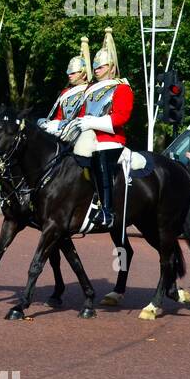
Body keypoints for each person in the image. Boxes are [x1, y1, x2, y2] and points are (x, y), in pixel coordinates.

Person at [65, 27, 133, 230]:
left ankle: (108, 211)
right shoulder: (90, 90)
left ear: (111, 67)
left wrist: (91, 123)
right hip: (89, 139)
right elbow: (82, 114)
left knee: (101, 163)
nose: (96, 70)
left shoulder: (121, 87)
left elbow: (121, 118)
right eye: (95, 67)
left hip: (110, 141)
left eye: (100, 67)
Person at [40, 37, 93, 136]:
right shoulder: (66, 92)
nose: (69, 75)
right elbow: (59, 116)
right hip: (62, 131)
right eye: (68, 73)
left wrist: (70, 124)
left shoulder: (90, 90)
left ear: (84, 74)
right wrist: (50, 123)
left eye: (73, 73)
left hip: (81, 131)